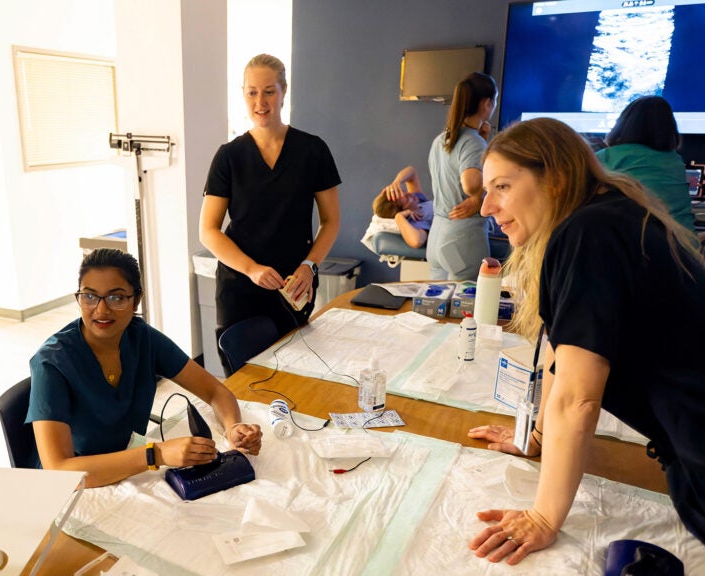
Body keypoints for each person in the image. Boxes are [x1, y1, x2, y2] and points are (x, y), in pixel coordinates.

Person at [467, 117, 705, 574]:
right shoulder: (602, 216)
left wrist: (542, 516)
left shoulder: (588, 234)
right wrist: (534, 437)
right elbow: (565, 355)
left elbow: (578, 398)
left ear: (554, 178)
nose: (486, 207)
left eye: (501, 186)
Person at [27, 249, 263, 488]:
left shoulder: (142, 338)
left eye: (116, 297)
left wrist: (233, 428)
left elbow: (215, 391)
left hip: (125, 470)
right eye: (89, 296)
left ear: (136, 300)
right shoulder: (52, 362)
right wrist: (155, 455)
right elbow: (60, 470)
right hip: (74, 489)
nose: (101, 310)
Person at [200, 54, 341, 367]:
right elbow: (208, 230)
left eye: (269, 91)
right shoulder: (229, 157)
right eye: (252, 92)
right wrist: (251, 269)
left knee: (296, 375)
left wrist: (310, 265)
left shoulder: (312, 150)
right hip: (240, 289)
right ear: (243, 94)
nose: (260, 102)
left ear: (284, 91)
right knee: (244, 381)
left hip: (294, 285)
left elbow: (331, 221)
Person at [388, 72, 497, 280]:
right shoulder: (473, 142)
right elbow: (470, 184)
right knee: (465, 308)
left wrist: (483, 141)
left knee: (437, 306)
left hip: (439, 235)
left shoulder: (441, 140)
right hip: (462, 239)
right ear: (486, 103)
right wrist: (478, 198)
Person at [596, 95, 695, 232]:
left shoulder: (607, 157)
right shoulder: (675, 161)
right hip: (684, 246)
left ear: (623, 124)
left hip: (634, 244)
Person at [363, 166, 432, 250]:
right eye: (406, 199)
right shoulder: (417, 220)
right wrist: (399, 217)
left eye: (404, 192)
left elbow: (411, 172)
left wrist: (396, 182)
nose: (410, 194)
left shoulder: (417, 203)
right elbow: (416, 241)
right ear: (404, 211)